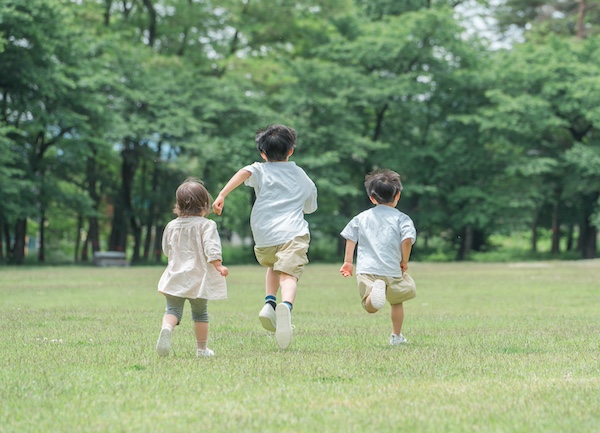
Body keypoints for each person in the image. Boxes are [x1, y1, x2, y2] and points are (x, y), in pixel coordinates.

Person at [212, 124, 317, 349]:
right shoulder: (301, 175)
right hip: (293, 232)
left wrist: (222, 194)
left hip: (264, 234)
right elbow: (310, 205)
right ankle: (285, 307)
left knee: (274, 266)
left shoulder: (260, 169)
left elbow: (244, 172)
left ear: (262, 153)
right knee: (289, 275)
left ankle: (269, 302)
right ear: (291, 151)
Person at [339, 169, 417, 346]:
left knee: (370, 307)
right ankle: (396, 336)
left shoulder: (362, 217)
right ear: (397, 195)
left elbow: (351, 238)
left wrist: (348, 262)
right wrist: (404, 261)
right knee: (397, 302)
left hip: (368, 270)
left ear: (372, 198)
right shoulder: (402, 219)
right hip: (392, 269)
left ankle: (374, 293)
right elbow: (407, 240)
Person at [156, 178, 229, 358]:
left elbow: (166, 249)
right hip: (198, 278)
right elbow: (211, 247)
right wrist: (218, 265)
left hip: (175, 276)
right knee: (200, 314)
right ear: (205, 203)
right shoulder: (206, 225)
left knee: (172, 311)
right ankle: (202, 349)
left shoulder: (171, 226)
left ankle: (167, 328)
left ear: (179, 204)